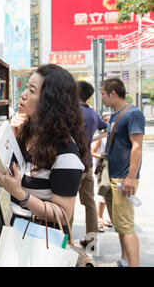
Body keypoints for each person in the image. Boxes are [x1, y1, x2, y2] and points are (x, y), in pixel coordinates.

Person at [0, 64, 88, 237]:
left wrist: (21, 195)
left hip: (41, 241)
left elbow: (63, 214)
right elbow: (13, 180)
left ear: (49, 102)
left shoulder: (65, 152)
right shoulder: (25, 133)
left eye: (32, 90)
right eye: (26, 88)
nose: (23, 95)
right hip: (15, 232)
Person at [101, 78, 145, 267]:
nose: (101, 98)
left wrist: (130, 177)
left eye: (103, 94)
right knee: (119, 223)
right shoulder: (113, 114)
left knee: (126, 226)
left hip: (123, 178)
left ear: (112, 93)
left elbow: (137, 147)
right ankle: (124, 260)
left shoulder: (133, 114)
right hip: (112, 175)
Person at [72, 81, 108, 248]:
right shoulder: (93, 114)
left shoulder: (72, 112)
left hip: (72, 165)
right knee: (90, 204)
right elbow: (108, 128)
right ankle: (92, 241)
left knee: (67, 202)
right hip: (88, 164)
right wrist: (93, 139)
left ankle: (66, 241)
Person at [91, 113, 113, 233]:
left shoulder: (111, 137)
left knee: (106, 194)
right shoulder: (100, 138)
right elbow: (92, 152)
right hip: (101, 169)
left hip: (109, 168)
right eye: (109, 121)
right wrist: (103, 157)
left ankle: (102, 217)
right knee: (102, 193)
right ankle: (99, 219)